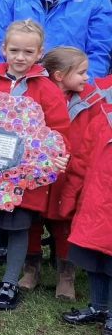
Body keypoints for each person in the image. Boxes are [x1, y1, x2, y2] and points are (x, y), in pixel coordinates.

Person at [0, 20, 70, 311]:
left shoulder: (46, 89)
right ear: (3, 49)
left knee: (20, 226)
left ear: (39, 53)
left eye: (28, 51)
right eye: (14, 50)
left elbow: (59, 129)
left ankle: (10, 282)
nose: (20, 57)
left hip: (24, 178)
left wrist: (59, 153)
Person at [20, 48, 103, 301]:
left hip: (67, 173)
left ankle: (65, 275)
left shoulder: (89, 101)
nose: (86, 78)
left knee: (62, 224)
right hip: (35, 171)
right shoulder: (38, 94)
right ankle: (31, 268)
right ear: (58, 75)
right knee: (31, 222)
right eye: (81, 73)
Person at [59, 104, 112, 335]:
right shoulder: (102, 119)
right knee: (95, 260)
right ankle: (98, 306)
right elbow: (80, 163)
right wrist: (69, 199)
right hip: (94, 207)